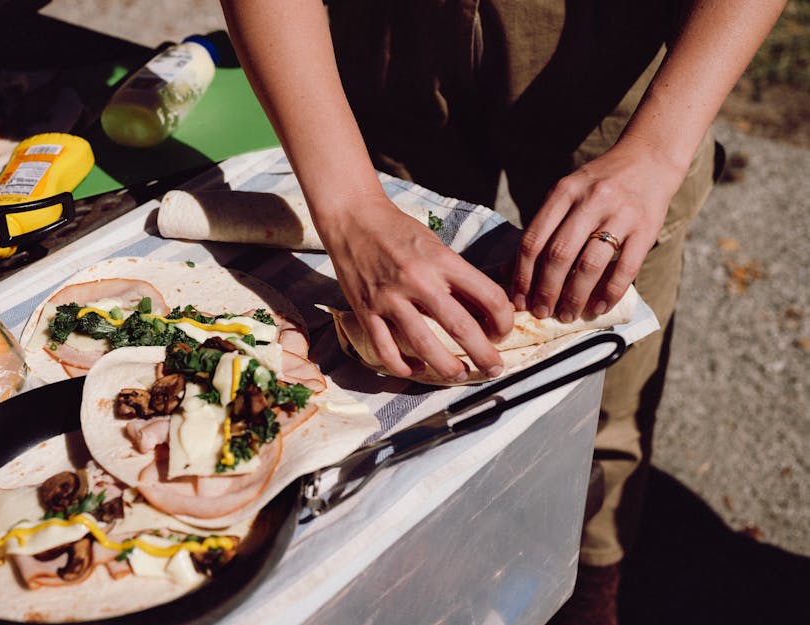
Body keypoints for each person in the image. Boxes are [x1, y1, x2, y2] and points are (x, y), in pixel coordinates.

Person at [219, 1, 785, 623]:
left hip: (620, 47)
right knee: (387, 365)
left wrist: (658, 149)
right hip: (390, 32)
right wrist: (350, 206)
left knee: (604, 384)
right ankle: (418, 565)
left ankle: (589, 577)